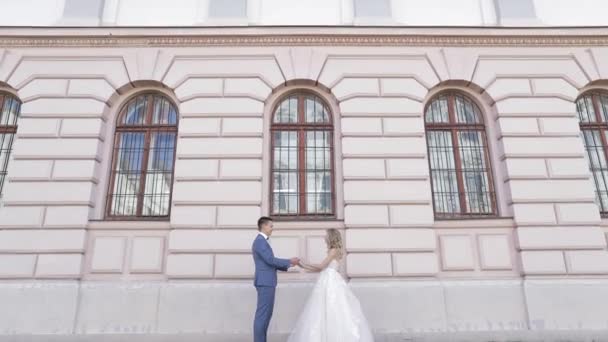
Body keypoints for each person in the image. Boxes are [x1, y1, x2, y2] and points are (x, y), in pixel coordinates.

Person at [288, 228, 374, 342]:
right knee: (324, 308)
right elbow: (319, 269)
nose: (324, 237)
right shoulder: (332, 251)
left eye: (326, 235)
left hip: (330, 281)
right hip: (327, 278)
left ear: (331, 237)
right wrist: (302, 266)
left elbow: (321, 266)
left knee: (331, 307)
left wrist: (304, 263)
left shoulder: (334, 251)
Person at [252, 216, 300, 342]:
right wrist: (289, 261)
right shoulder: (260, 241)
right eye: (271, 226)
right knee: (263, 315)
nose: (272, 229)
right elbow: (270, 260)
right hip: (265, 282)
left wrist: (289, 263)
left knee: (266, 315)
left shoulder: (262, 241)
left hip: (267, 281)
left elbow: (269, 261)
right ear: (264, 226)